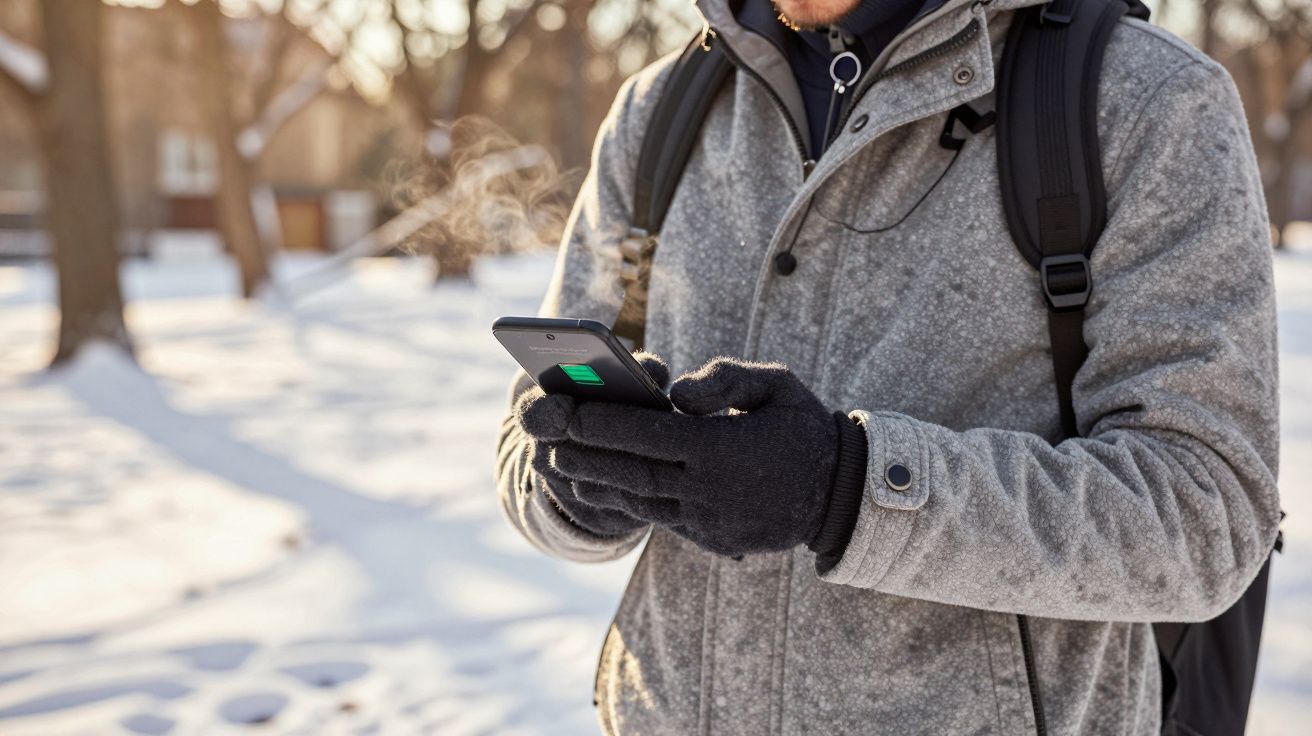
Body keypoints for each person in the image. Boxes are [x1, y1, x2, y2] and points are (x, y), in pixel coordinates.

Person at [493, 0, 1282, 732]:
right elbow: (530, 421)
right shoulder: (659, 110)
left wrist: (846, 490)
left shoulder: (1146, 99)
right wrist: (574, 483)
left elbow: (1207, 512)